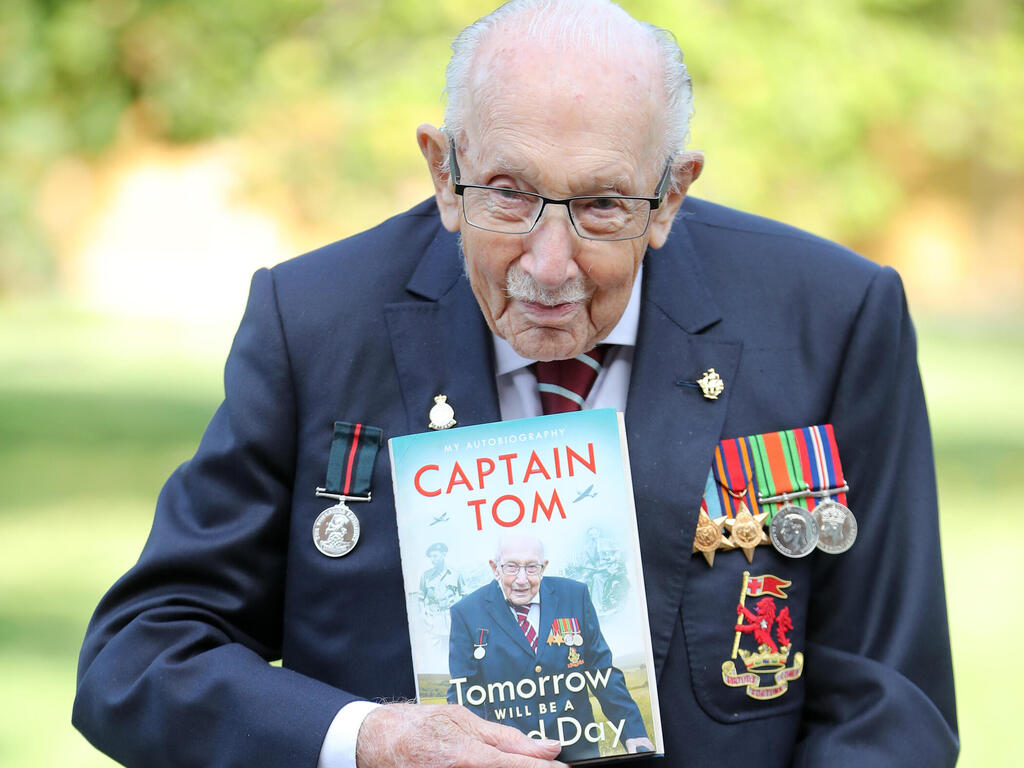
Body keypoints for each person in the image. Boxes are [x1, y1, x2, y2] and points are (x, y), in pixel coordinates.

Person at [72, 1, 959, 766]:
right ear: (441, 172)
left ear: (672, 196)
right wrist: (370, 741)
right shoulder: (314, 320)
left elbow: (891, 697)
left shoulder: (832, 317)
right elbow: (140, 653)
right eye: (507, 192)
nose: (548, 261)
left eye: (604, 205)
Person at [447, 535, 652, 762]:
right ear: (495, 568)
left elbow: (601, 672)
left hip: (578, 749)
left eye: (531, 567)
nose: (522, 580)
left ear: (543, 567)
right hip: (511, 756)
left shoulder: (575, 596)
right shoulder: (466, 613)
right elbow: (465, 693)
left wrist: (634, 733)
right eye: (512, 567)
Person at [418, 542, 464, 644]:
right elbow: (420, 599)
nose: (432, 560)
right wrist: (423, 616)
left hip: (453, 620)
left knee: (455, 648)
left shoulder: (455, 574)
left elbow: (464, 596)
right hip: (434, 623)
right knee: (436, 652)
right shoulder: (425, 576)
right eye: (430, 557)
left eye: (435, 556)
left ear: (443, 555)